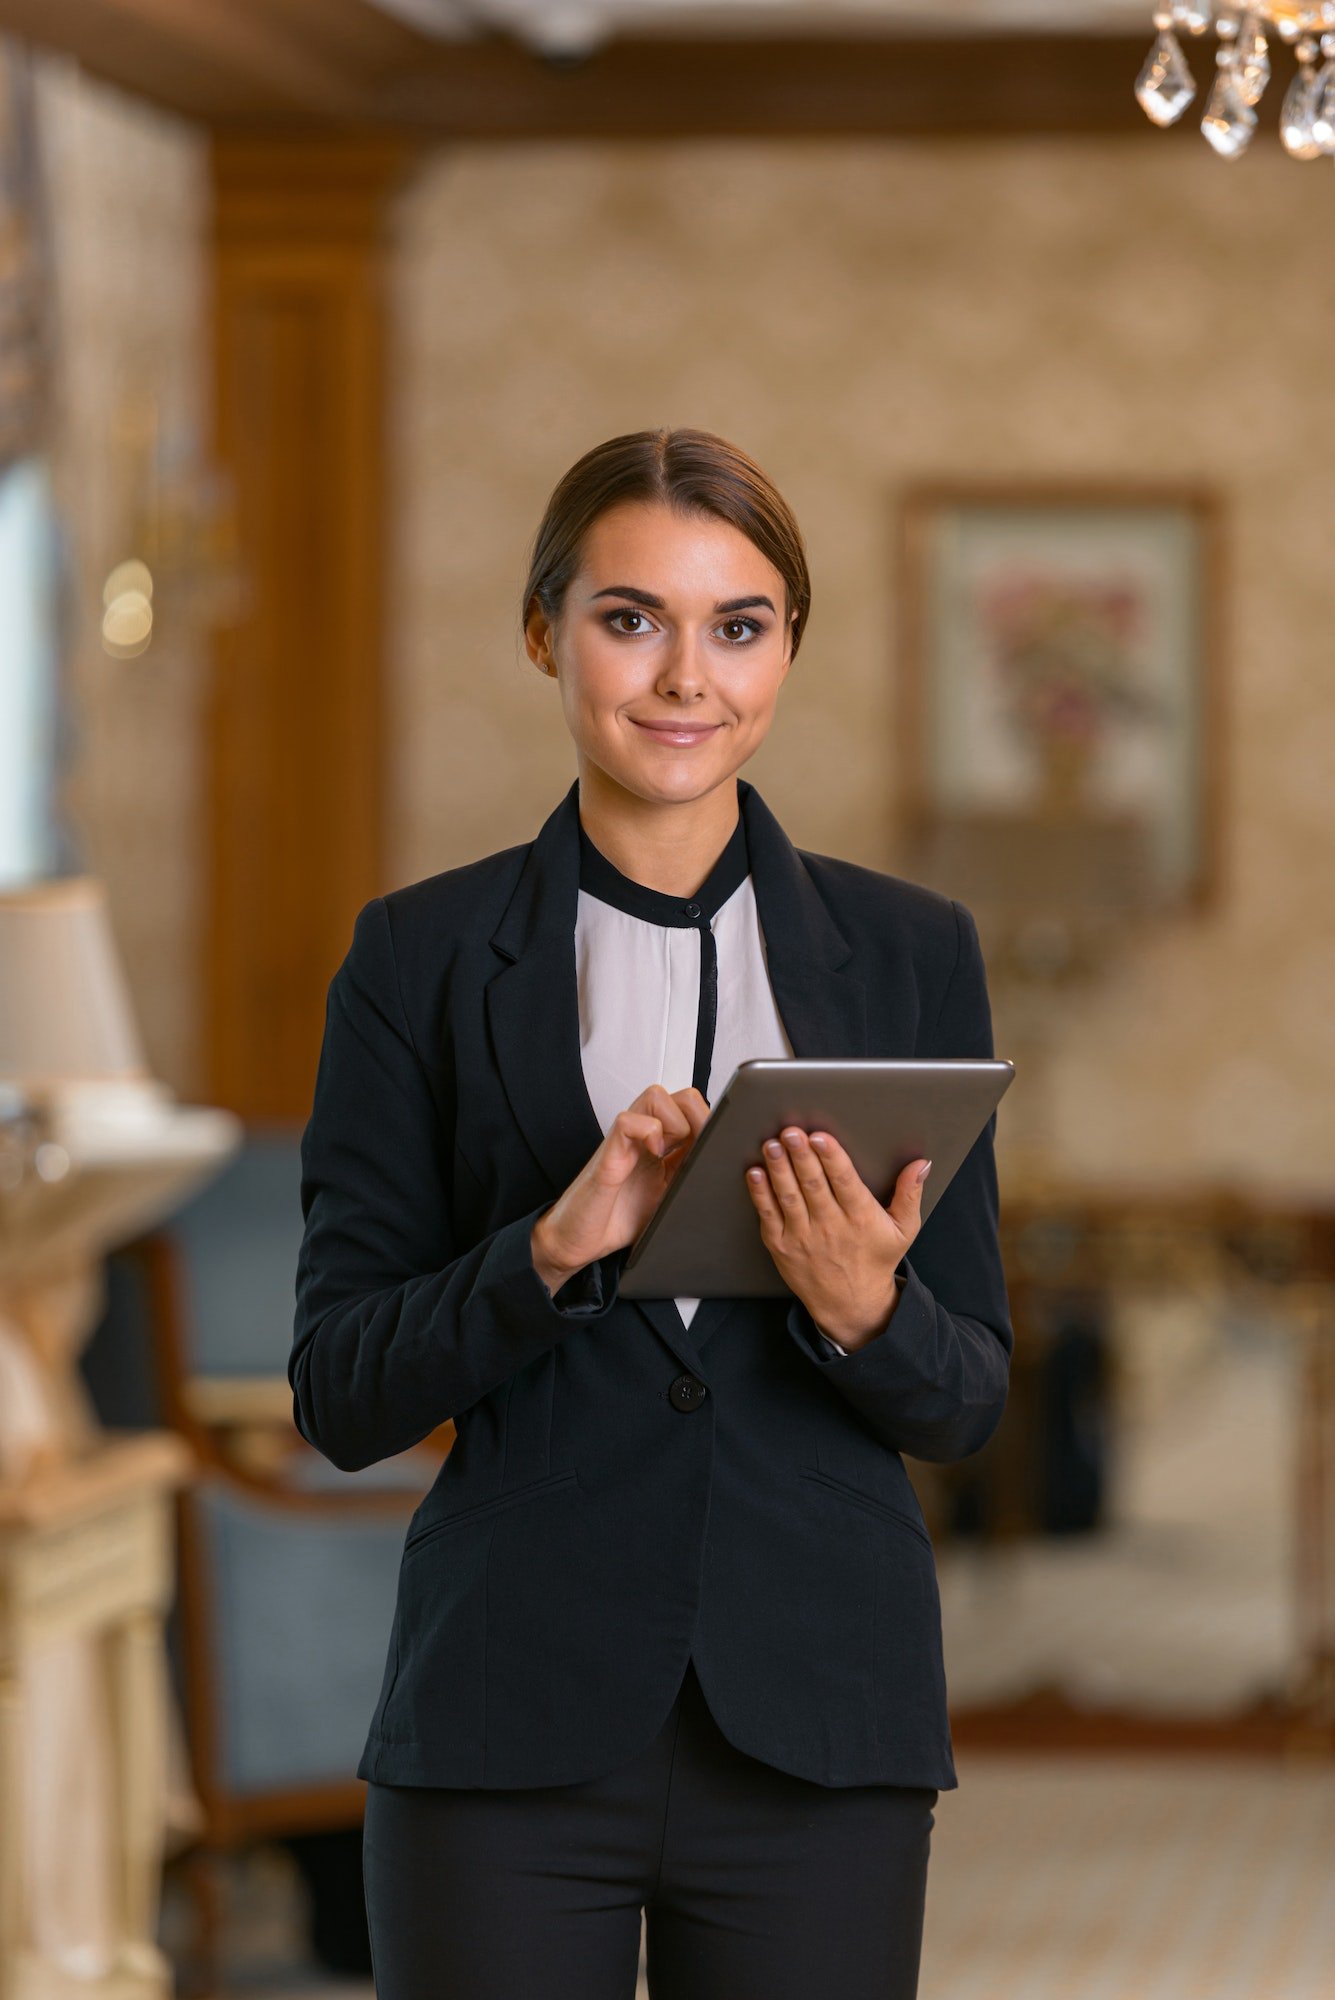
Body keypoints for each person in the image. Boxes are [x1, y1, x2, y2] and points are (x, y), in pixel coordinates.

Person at [289, 426, 1013, 2000]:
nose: (688, 677)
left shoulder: (908, 953)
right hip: (501, 1721)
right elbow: (339, 1392)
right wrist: (547, 1251)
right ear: (546, 630)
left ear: (788, 651)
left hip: (823, 1721)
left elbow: (969, 1402)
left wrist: (863, 1308)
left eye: (738, 627)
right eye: (633, 619)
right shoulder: (415, 960)